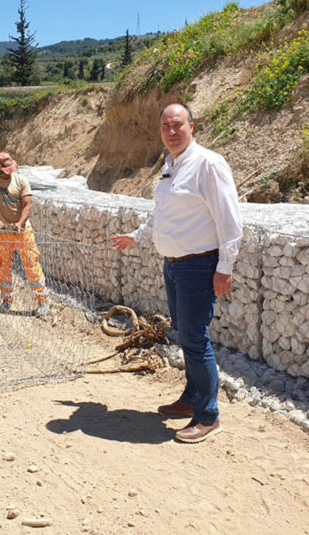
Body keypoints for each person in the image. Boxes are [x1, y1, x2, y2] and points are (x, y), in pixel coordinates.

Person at [111, 103, 243, 444]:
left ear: (192, 126)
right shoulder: (170, 166)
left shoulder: (208, 164)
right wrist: (137, 236)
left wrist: (225, 267)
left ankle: (208, 415)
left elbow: (230, 220)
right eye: (165, 126)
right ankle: (191, 399)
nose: (171, 131)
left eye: (178, 124)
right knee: (184, 333)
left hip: (199, 265)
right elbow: (162, 213)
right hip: (174, 265)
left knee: (195, 339)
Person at [0, 151, 50, 317]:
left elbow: (27, 206)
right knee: (4, 265)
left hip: (21, 230)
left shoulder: (21, 181)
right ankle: (7, 298)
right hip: (0, 232)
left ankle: (42, 299)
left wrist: (20, 223)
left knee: (31, 263)